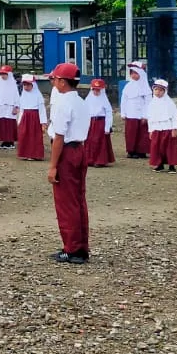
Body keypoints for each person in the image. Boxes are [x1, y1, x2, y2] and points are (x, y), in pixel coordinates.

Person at [46, 62, 90, 265]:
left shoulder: (64, 103)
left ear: (62, 82)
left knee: (66, 202)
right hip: (80, 149)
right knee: (78, 199)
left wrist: (53, 165)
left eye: (55, 79)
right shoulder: (81, 102)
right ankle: (81, 246)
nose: (53, 82)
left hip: (67, 151)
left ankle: (71, 248)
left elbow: (59, 137)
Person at [119, 62, 152, 159]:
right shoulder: (128, 86)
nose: (133, 75)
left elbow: (148, 102)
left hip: (141, 113)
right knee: (131, 133)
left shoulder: (145, 87)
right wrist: (123, 113)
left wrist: (146, 115)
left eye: (136, 73)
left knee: (142, 133)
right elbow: (123, 100)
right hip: (130, 113)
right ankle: (131, 151)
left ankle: (142, 151)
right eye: (132, 73)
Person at [147, 78, 177, 173]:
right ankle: (160, 164)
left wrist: (174, 129)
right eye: (156, 89)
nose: (158, 92)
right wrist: (150, 130)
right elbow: (150, 118)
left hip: (168, 128)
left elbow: (174, 116)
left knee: (169, 148)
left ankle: (172, 166)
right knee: (157, 147)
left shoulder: (169, 103)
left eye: (161, 90)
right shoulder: (152, 103)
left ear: (165, 91)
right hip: (156, 129)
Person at [83, 78, 116, 168]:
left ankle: (100, 160)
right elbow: (84, 111)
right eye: (94, 89)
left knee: (99, 142)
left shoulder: (104, 100)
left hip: (100, 123)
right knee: (89, 141)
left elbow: (109, 113)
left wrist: (107, 127)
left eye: (98, 90)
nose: (96, 92)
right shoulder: (88, 99)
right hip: (90, 122)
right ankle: (89, 159)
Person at [15, 74, 47, 162]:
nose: (26, 87)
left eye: (28, 84)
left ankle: (35, 154)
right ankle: (24, 153)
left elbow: (41, 109)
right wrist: (19, 120)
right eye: (24, 85)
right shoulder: (23, 95)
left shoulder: (38, 95)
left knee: (34, 136)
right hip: (25, 117)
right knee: (24, 135)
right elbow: (21, 108)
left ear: (33, 85)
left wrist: (43, 122)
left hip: (35, 117)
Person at [0, 66, 20, 149]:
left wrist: (16, 106)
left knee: (10, 123)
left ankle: (10, 141)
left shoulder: (13, 84)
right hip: (1, 106)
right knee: (2, 123)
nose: (3, 76)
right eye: (1, 74)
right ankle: (4, 140)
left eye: (5, 74)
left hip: (10, 106)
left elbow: (16, 96)